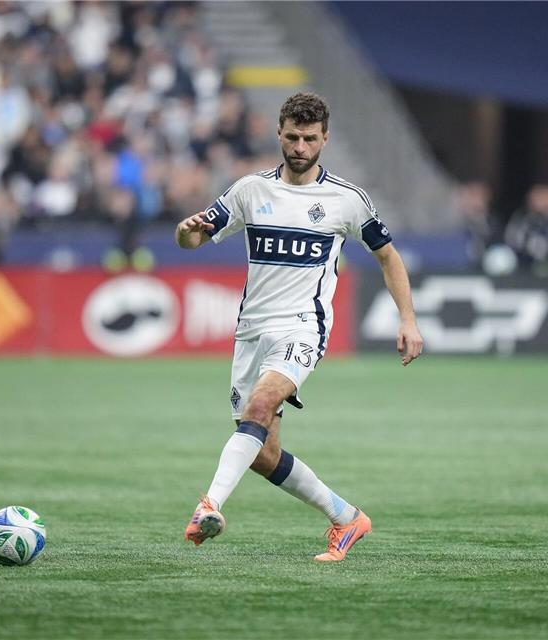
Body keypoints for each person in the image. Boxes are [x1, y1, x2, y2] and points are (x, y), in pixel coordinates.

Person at [175, 93, 423, 562]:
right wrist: (186, 232)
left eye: (310, 138)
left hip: (303, 327)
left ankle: (209, 505)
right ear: (279, 133)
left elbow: (388, 256)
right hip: (251, 332)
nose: (300, 147)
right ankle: (347, 518)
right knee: (261, 453)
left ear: (325, 138)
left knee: (261, 404)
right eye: (292, 137)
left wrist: (407, 318)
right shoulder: (250, 191)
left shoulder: (346, 200)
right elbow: (193, 239)